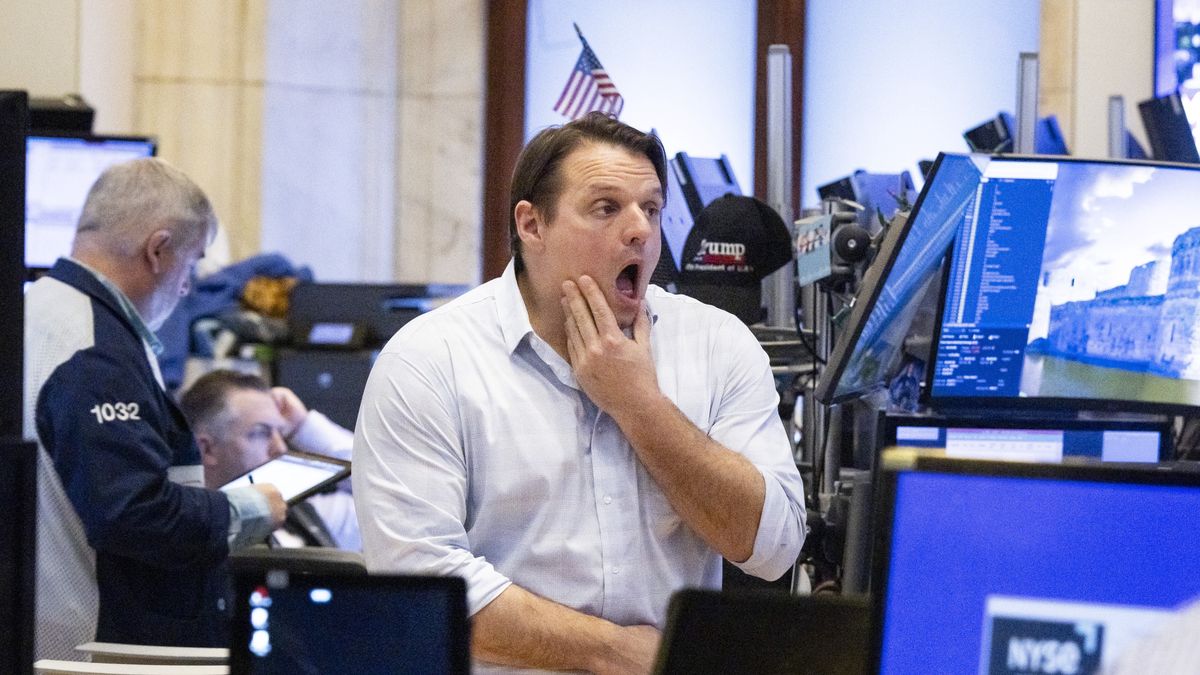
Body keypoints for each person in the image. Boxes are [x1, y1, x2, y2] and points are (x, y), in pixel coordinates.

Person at [354, 112, 806, 673]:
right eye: (606, 207)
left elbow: (774, 548)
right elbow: (420, 585)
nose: (640, 229)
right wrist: (620, 655)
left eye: (652, 208)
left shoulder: (716, 343)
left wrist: (641, 407)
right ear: (532, 225)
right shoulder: (428, 361)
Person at [23, 158, 287, 660]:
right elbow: (131, 513)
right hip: (96, 644)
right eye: (192, 264)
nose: (188, 287)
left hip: (44, 627)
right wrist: (246, 510)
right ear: (159, 250)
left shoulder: (36, 312)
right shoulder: (94, 352)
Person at [180, 370, 360, 551]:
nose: (281, 448)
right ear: (207, 449)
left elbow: (382, 489)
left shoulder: (303, 513)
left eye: (282, 433)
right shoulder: (186, 535)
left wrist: (303, 427)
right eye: (261, 433)